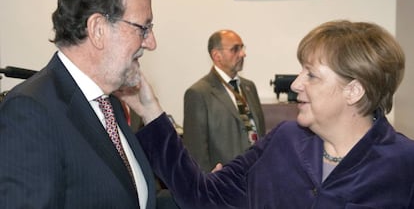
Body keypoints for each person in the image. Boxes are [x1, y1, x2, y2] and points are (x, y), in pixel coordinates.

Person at [118, 20, 414, 208]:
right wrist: (149, 109)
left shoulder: (404, 164)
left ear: (354, 91)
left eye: (311, 75)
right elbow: (201, 195)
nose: (296, 84)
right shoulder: (283, 141)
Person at [0, 0, 177, 208]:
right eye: (143, 28)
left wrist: (213, 192)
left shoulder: (109, 103)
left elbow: (134, 200)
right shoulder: (31, 111)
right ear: (97, 29)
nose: (151, 42)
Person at [183, 30, 266, 172]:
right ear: (217, 56)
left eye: (242, 48)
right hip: (224, 182)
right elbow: (196, 153)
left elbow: (260, 133)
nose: (242, 54)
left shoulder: (249, 87)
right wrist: (208, 186)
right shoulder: (198, 93)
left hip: (256, 176)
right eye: (235, 49)